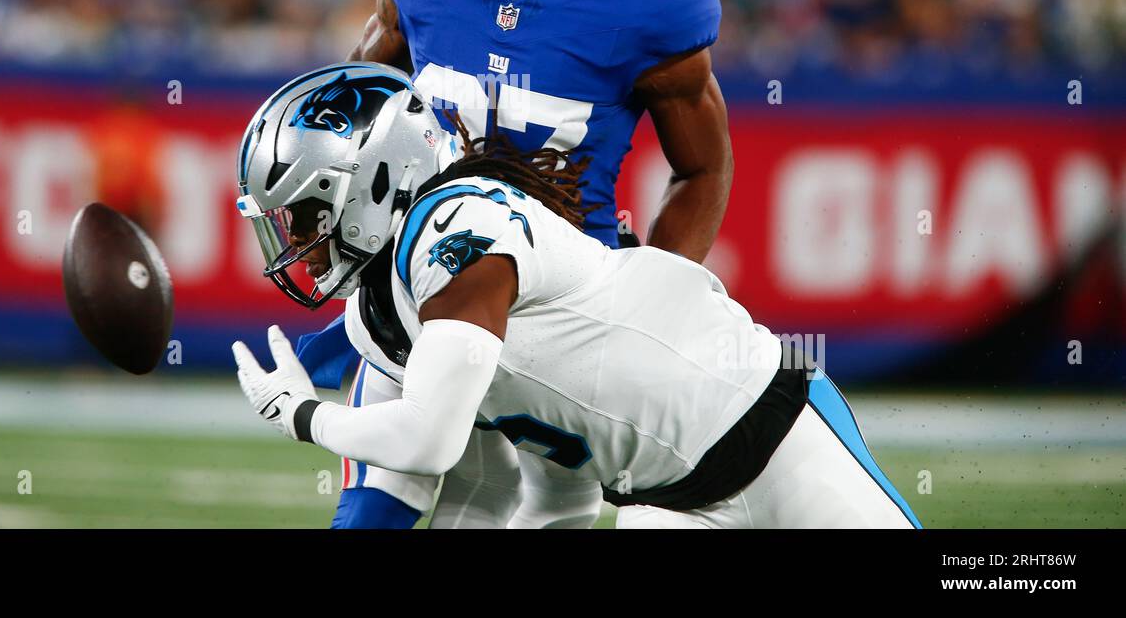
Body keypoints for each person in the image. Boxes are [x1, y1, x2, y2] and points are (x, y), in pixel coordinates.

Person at [297, 0, 734, 527]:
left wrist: (653, 292)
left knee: (528, 510)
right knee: (372, 513)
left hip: (559, 306)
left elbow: (702, 166)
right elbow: (367, 98)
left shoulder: (651, 5)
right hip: (427, 275)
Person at [233, 63, 921, 528]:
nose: (297, 240)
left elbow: (428, 440)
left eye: (302, 214)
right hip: (663, 498)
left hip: (769, 428)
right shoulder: (387, 310)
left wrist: (300, 415)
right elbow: (557, 465)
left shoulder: (458, 231)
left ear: (375, 180)